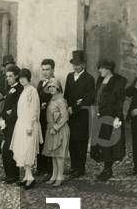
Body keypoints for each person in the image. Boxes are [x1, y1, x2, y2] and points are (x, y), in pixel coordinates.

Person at [94, 60, 126, 181]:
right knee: (102, 142)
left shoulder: (117, 82)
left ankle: (108, 169)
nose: (99, 70)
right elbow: (97, 97)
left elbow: (120, 101)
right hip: (100, 115)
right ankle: (106, 168)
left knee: (108, 143)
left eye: (101, 68)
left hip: (111, 116)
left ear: (108, 69)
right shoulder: (101, 80)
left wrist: (117, 117)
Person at [64, 51, 95, 179]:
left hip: (82, 115)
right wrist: (68, 107)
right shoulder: (70, 77)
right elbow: (66, 95)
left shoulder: (89, 79)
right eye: (74, 65)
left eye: (78, 65)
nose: (76, 67)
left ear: (84, 65)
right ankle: (73, 166)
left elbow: (88, 99)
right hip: (70, 115)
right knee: (72, 140)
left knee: (80, 141)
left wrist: (76, 107)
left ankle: (80, 168)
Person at [10, 69, 42, 189]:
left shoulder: (32, 91)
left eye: (24, 78)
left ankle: (31, 178)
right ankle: (26, 177)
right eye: (20, 78)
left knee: (27, 151)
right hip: (21, 124)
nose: (22, 80)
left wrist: (29, 125)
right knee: (21, 151)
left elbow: (34, 110)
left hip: (29, 125)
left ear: (28, 78)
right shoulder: (24, 91)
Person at [36, 60, 62, 180]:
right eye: (43, 69)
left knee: (50, 144)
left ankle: (50, 170)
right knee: (41, 143)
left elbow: (58, 99)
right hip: (40, 118)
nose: (45, 72)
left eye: (47, 69)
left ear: (53, 70)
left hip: (50, 118)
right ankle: (40, 168)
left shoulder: (55, 82)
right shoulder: (41, 83)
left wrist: (46, 105)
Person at [0, 65, 22, 184]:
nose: (8, 79)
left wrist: (7, 118)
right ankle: (9, 175)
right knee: (6, 150)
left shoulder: (19, 89)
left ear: (16, 76)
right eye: (7, 76)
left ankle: (13, 175)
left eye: (10, 76)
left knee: (8, 150)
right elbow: (6, 106)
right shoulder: (10, 88)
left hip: (13, 124)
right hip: (6, 124)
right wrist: (2, 117)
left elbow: (16, 109)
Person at [42, 80, 70, 187]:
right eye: (50, 87)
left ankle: (60, 176)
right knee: (53, 154)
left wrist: (56, 128)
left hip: (59, 129)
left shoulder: (61, 100)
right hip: (51, 128)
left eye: (54, 86)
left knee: (59, 155)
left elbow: (64, 117)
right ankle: (54, 175)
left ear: (58, 88)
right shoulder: (52, 99)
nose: (51, 88)